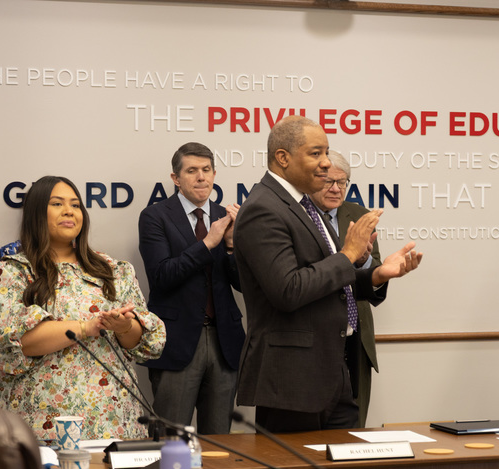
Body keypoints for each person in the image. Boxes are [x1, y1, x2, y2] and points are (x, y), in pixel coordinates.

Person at [234, 115, 422, 433]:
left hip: (333, 372)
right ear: (283, 158)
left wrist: (375, 276)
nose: (325, 163)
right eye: (316, 153)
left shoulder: (304, 206)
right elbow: (288, 289)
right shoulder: (263, 209)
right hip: (292, 381)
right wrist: (347, 255)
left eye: (326, 152)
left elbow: (327, 282)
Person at [0, 176, 165, 441]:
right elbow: (16, 344)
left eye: (76, 205)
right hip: (43, 426)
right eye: (57, 204)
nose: (69, 211)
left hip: (114, 422)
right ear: (36, 213)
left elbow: (145, 344)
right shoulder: (12, 272)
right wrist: (84, 327)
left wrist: (125, 327)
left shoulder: (113, 271)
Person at [138, 142, 245, 434]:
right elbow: (161, 275)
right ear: (176, 178)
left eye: (207, 170)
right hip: (178, 341)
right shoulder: (155, 216)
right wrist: (209, 243)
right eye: (192, 171)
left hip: (224, 341)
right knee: (169, 441)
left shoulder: (227, 217)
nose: (201, 177)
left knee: (220, 443)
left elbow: (243, 285)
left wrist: (232, 245)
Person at [308, 150, 381, 428]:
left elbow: (373, 272)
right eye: (328, 182)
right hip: (316, 336)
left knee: (354, 430)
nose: (336, 188)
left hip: (355, 337)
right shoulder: (299, 215)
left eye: (343, 182)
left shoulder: (359, 214)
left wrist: (364, 262)